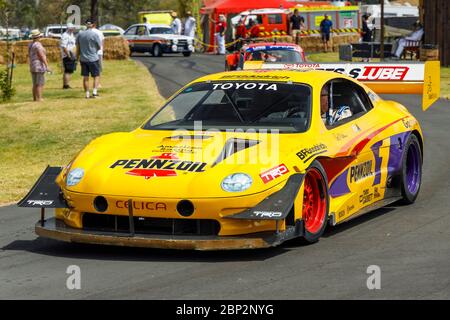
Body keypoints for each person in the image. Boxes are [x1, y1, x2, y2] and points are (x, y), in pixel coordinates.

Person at [76, 19, 102, 99]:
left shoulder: (80, 34)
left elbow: (78, 46)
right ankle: (94, 93)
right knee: (96, 76)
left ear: (85, 25)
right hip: (93, 58)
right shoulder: (94, 34)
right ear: (93, 25)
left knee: (85, 77)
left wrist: (78, 57)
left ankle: (87, 94)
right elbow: (99, 46)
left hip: (83, 59)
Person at [28, 29, 50, 102]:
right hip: (39, 65)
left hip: (32, 64)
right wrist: (47, 66)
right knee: (40, 83)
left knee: (34, 83)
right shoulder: (38, 45)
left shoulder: (30, 44)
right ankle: (39, 98)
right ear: (38, 37)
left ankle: (35, 98)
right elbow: (41, 56)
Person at [60, 23, 77, 89]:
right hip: (68, 55)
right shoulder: (65, 35)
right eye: (72, 28)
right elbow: (64, 47)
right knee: (68, 71)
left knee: (70, 71)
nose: (73, 29)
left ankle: (66, 84)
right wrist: (68, 55)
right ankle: (65, 85)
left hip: (72, 54)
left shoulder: (71, 34)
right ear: (69, 29)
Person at [92, 22, 105, 87]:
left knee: (90, 69)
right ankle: (98, 83)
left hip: (91, 53)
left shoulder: (86, 32)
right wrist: (102, 50)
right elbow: (102, 42)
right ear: (95, 25)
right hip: (99, 52)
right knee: (99, 68)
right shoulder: (100, 32)